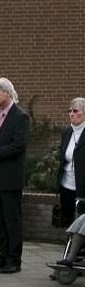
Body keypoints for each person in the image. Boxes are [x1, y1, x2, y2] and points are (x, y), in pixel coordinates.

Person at [0, 78, 30, 274]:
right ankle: (3, 255)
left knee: (12, 219)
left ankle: (14, 259)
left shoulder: (20, 116)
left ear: (7, 93)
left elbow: (19, 145)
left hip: (11, 177)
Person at [57, 98, 85, 228]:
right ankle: (68, 246)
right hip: (66, 184)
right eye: (69, 111)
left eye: (75, 111)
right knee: (67, 220)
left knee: (81, 221)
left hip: (82, 184)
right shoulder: (67, 132)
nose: (71, 114)